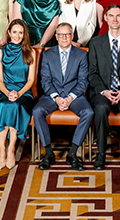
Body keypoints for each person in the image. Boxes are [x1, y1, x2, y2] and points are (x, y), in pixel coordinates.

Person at [32, 22, 93, 171]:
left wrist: (70, 98)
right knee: (37, 111)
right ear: (56, 37)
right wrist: (57, 98)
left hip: (75, 96)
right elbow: (45, 81)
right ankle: (48, 153)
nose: (64, 38)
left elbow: (83, 81)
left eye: (67, 35)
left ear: (72, 36)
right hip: (52, 96)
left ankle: (72, 153)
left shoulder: (82, 54)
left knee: (88, 112)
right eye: (61, 35)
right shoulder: (47, 54)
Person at [87, 4, 120, 170]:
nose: (115, 19)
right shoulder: (95, 43)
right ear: (105, 18)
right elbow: (92, 73)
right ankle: (101, 153)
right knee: (101, 107)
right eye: (111, 16)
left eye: (118, 16)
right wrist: (104, 91)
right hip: (103, 90)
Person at [0, 19, 36, 169]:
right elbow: (0, 81)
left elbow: (31, 80)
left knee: (15, 105)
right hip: (4, 91)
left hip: (24, 92)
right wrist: (8, 93)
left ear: (24, 34)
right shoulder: (0, 52)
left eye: (20, 33)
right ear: (9, 33)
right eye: (14, 32)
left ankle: (11, 149)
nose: (17, 35)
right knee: (4, 104)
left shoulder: (31, 52)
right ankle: (2, 149)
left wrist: (18, 94)